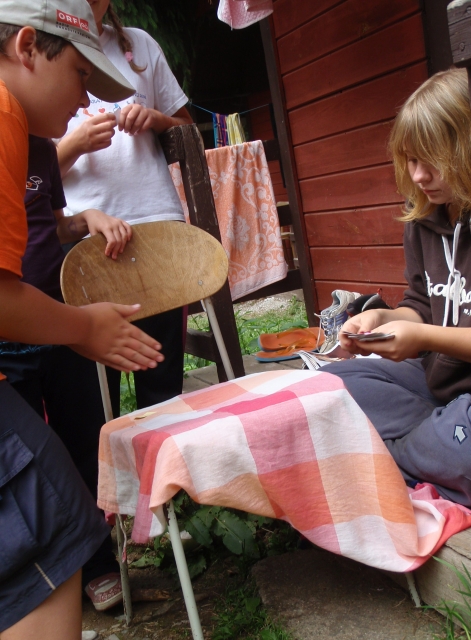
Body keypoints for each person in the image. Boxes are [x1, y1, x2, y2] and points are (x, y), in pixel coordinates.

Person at [0, 0, 164, 636]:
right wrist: (86, 326)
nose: (83, 99)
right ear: (26, 48)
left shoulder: (27, 135)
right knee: (52, 525)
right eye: (79, 73)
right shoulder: (5, 114)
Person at [325, 67, 471, 507]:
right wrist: (383, 319)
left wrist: (422, 337)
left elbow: (424, 330)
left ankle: (396, 457)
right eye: (411, 160)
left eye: (432, 159)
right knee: (328, 388)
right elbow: (420, 304)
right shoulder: (423, 216)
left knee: (460, 451)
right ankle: (429, 451)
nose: (420, 175)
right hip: (437, 384)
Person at [0, 134, 132, 612]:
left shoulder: (39, 149)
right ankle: (41, 579)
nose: (83, 99)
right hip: (7, 339)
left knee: (85, 441)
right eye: (79, 90)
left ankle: (96, 565)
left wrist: (86, 218)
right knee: (29, 464)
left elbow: (52, 225)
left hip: (61, 323)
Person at [57, 0, 193, 418]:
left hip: (156, 223)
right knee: (94, 388)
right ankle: (106, 456)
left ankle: (167, 455)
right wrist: (74, 144)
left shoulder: (138, 45)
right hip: (84, 235)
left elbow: (187, 129)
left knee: (162, 375)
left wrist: (155, 118)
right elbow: (28, 174)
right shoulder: (49, 49)